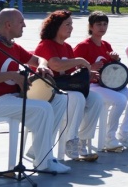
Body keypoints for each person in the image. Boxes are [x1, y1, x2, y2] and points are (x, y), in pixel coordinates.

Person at [0, 9, 72, 175]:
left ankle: (39, 150)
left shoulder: (13, 46)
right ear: (8, 25)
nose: (24, 25)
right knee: (44, 108)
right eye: (21, 22)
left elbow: (39, 59)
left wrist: (41, 65)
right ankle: (44, 162)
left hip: (13, 97)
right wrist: (11, 75)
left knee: (60, 99)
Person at [32, 11, 99, 162]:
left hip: (64, 89)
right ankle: (71, 139)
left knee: (96, 99)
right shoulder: (46, 44)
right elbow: (55, 64)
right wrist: (80, 60)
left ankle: (82, 140)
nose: (71, 28)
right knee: (78, 97)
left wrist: (87, 76)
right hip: (48, 91)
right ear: (56, 26)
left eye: (72, 24)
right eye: (67, 24)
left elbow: (69, 73)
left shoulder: (67, 47)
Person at [74, 11, 128, 151]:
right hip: (92, 85)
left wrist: (115, 60)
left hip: (108, 85)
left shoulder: (106, 44)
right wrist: (90, 68)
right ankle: (109, 137)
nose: (102, 27)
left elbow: (113, 69)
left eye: (105, 24)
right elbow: (73, 68)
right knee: (120, 100)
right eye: (98, 24)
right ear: (91, 26)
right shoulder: (83, 46)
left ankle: (124, 133)